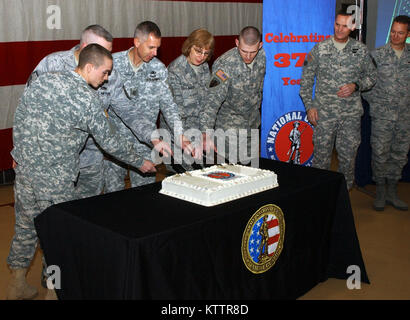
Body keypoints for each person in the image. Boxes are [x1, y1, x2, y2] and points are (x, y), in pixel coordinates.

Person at [6, 44, 148, 300]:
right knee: (58, 234)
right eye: (104, 73)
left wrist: (17, 152)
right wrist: (140, 161)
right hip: (56, 178)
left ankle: (17, 284)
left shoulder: (43, 81)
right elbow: (110, 141)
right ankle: (55, 292)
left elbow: (21, 115)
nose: (106, 79)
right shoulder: (86, 99)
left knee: (26, 226)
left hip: (26, 171)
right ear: (89, 67)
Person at [28, 25, 160, 199]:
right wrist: (21, 149)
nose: (107, 59)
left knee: (88, 212)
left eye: (110, 53)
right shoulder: (53, 65)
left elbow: (128, 110)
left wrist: (153, 136)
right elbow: (30, 108)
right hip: (55, 159)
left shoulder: (110, 74)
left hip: (91, 157)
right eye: (102, 52)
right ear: (85, 48)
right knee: (55, 213)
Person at [107, 21, 198, 190]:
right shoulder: (112, 64)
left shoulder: (158, 69)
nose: (155, 53)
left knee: (145, 196)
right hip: (116, 142)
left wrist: (179, 134)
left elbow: (169, 106)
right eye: (151, 47)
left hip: (148, 143)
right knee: (112, 196)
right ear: (136, 42)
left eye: (157, 48)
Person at [299, 11, 376, 190]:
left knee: (348, 158)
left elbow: (372, 77)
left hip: (350, 115)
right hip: (323, 114)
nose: (340, 29)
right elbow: (305, 82)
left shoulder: (361, 50)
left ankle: (344, 195)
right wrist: (309, 107)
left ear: (352, 27)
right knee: (321, 158)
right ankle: (320, 194)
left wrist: (356, 85)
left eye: (345, 26)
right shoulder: (320, 48)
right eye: (337, 25)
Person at [363, 15, 409, 211]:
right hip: (382, 116)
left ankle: (392, 191)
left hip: (405, 117)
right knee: (380, 153)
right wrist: (379, 105)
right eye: (393, 31)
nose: (395, 36)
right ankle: (380, 192)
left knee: (399, 154)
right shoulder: (377, 55)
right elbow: (365, 86)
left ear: (407, 34)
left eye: (400, 33)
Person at [200, 26, 265, 165]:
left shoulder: (264, 58)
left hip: (252, 125)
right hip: (229, 129)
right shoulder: (224, 65)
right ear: (236, 43)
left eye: (253, 52)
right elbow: (211, 102)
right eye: (244, 51)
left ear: (260, 45)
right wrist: (205, 133)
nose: (248, 56)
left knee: (251, 170)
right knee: (230, 173)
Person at [159, 28, 215, 171]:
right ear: (189, 46)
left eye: (206, 53)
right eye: (198, 51)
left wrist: (204, 133)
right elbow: (174, 112)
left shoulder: (204, 68)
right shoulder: (175, 70)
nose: (202, 57)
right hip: (178, 137)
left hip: (197, 135)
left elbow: (206, 104)